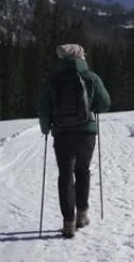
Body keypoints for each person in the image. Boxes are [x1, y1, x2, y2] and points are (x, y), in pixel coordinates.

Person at [38, 44, 111, 238]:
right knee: (82, 171)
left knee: (65, 175)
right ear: (80, 56)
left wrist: (46, 129)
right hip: (86, 133)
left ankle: (68, 223)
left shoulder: (53, 80)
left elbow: (44, 108)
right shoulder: (91, 77)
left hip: (62, 134)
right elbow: (105, 104)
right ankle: (82, 215)